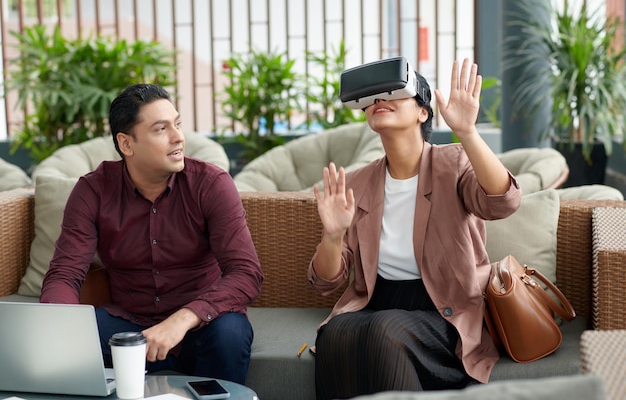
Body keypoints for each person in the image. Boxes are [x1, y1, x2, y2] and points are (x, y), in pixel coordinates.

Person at [308, 58, 522, 399]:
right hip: (376, 303)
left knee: (385, 330)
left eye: (393, 93)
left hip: (443, 309)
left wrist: (467, 132)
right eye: (373, 98)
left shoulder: (453, 163)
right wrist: (332, 236)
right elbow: (325, 282)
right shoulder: (358, 183)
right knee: (334, 333)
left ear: (423, 111)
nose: (380, 100)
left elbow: (502, 202)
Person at [40, 84, 264, 384]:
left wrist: (182, 319)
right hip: (128, 328)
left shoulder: (211, 184)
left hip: (202, 325)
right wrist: (57, 327)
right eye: (161, 129)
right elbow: (65, 275)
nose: (178, 137)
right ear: (126, 143)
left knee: (231, 333)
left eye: (178, 124)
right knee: (69, 336)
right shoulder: (93, 190)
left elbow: (246, 273)